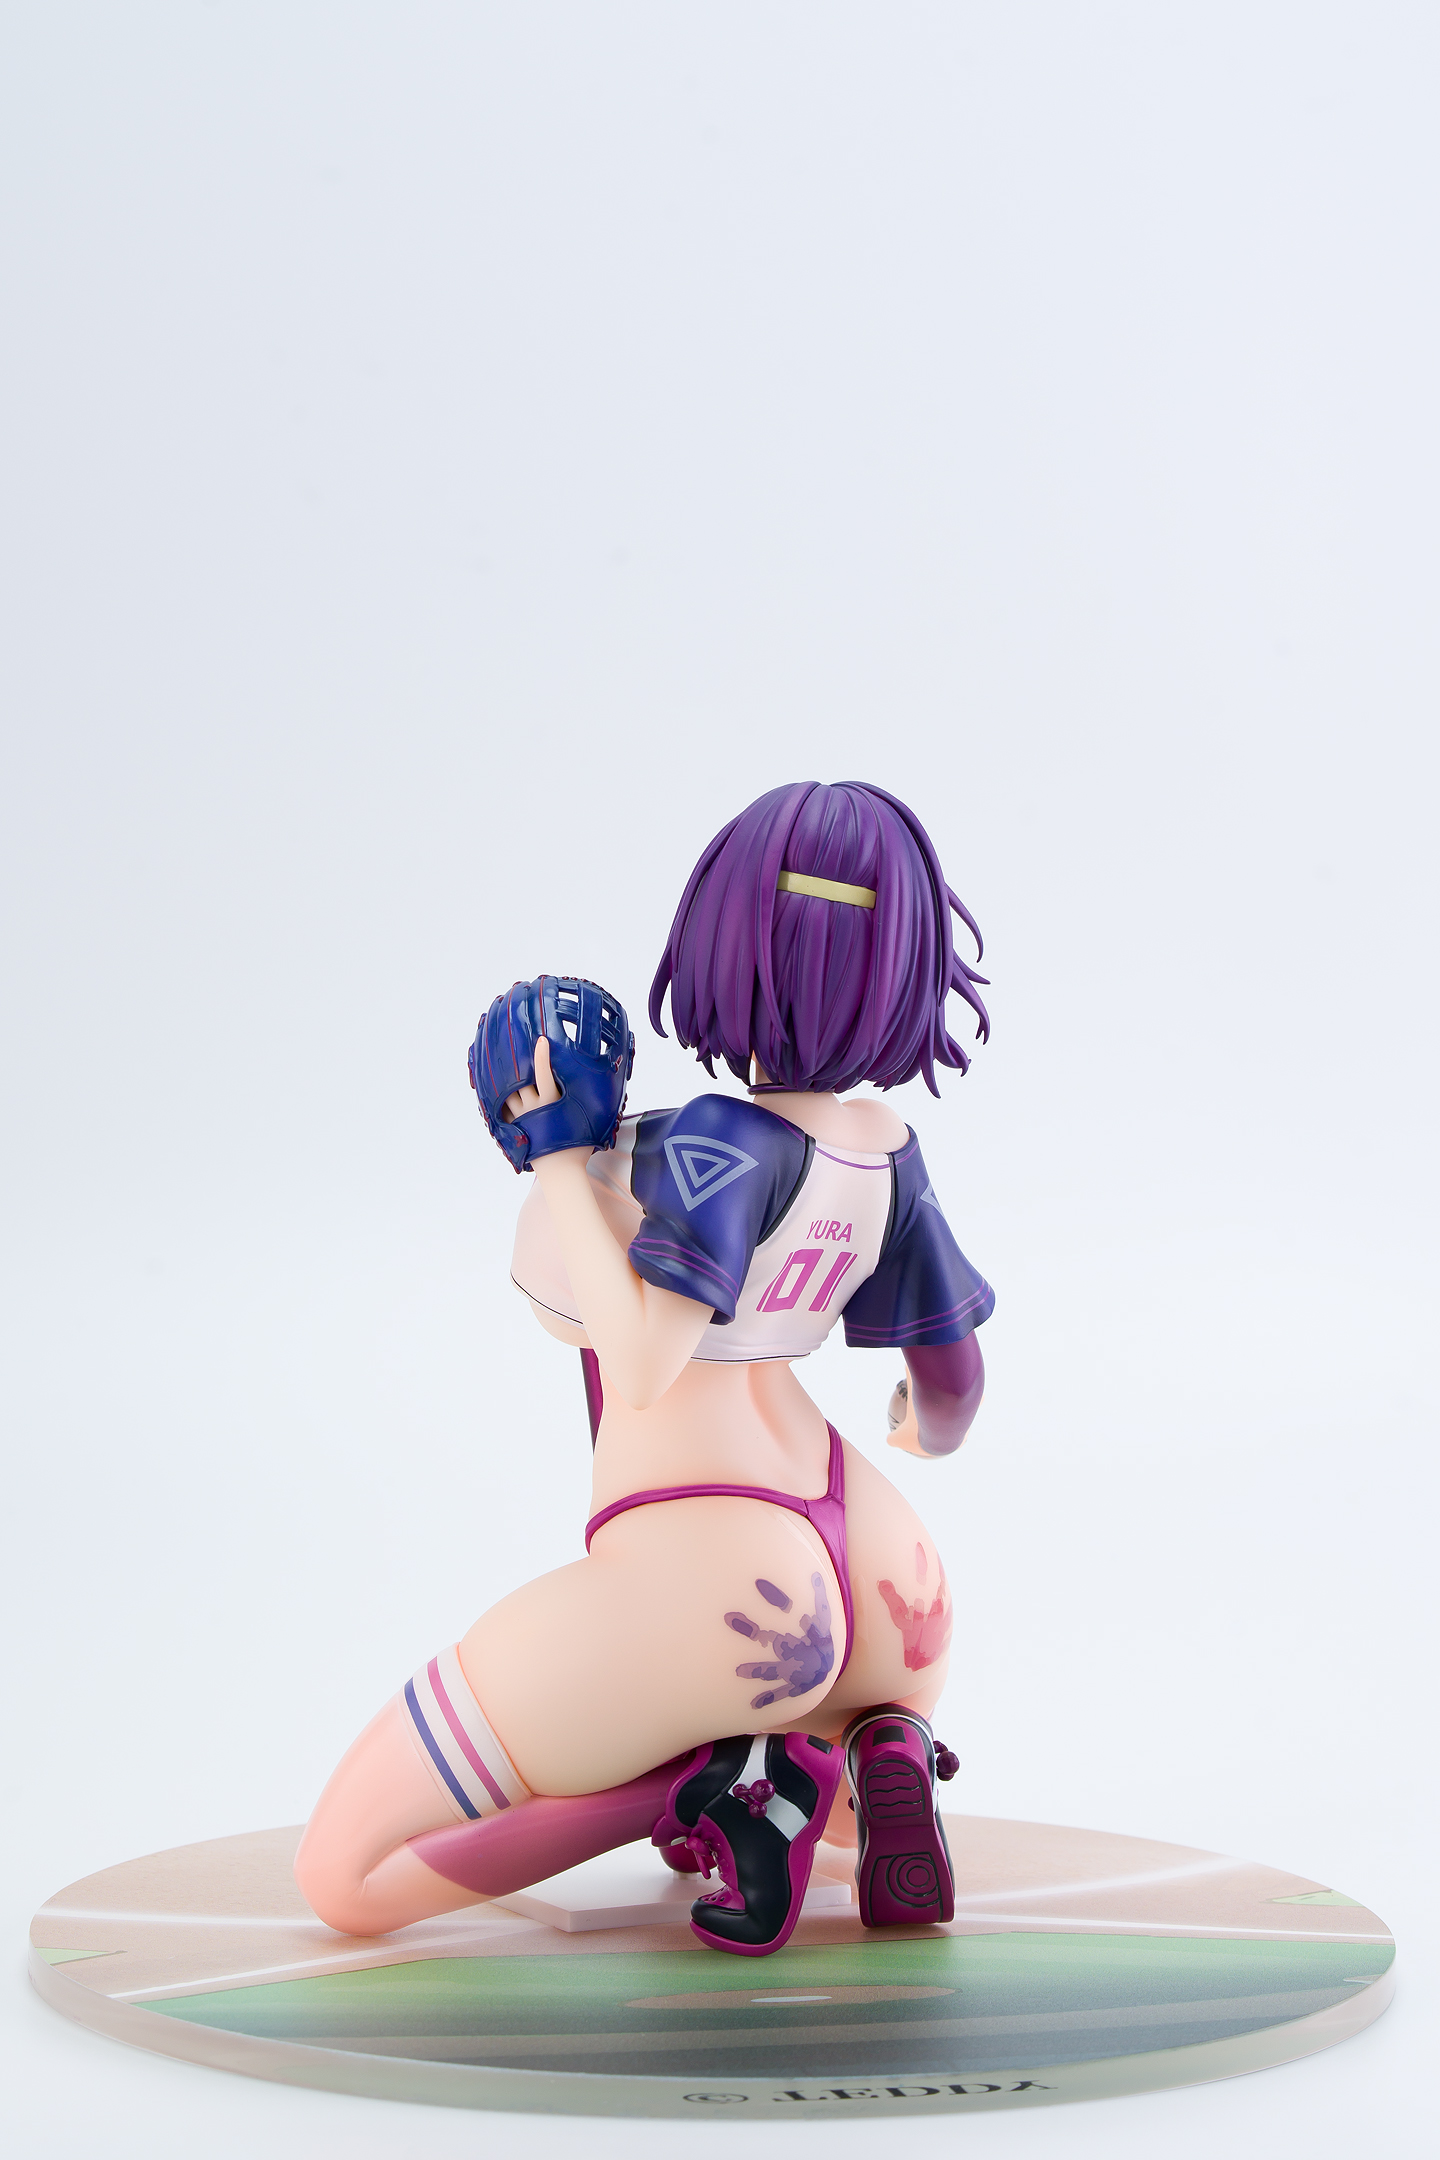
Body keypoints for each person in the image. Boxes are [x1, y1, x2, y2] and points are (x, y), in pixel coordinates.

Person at [294, 781, 993, 1954]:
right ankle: (883, 1748)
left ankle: (721, 1782)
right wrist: (916, 1430)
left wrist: (557, 1162)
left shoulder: (719, 1139)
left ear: (724, 944)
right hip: (885, 1573)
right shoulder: (888, 1152)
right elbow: (953, 1388)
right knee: (839, 1800)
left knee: (345, 1879)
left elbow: (643, 1360)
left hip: (723, 1574)